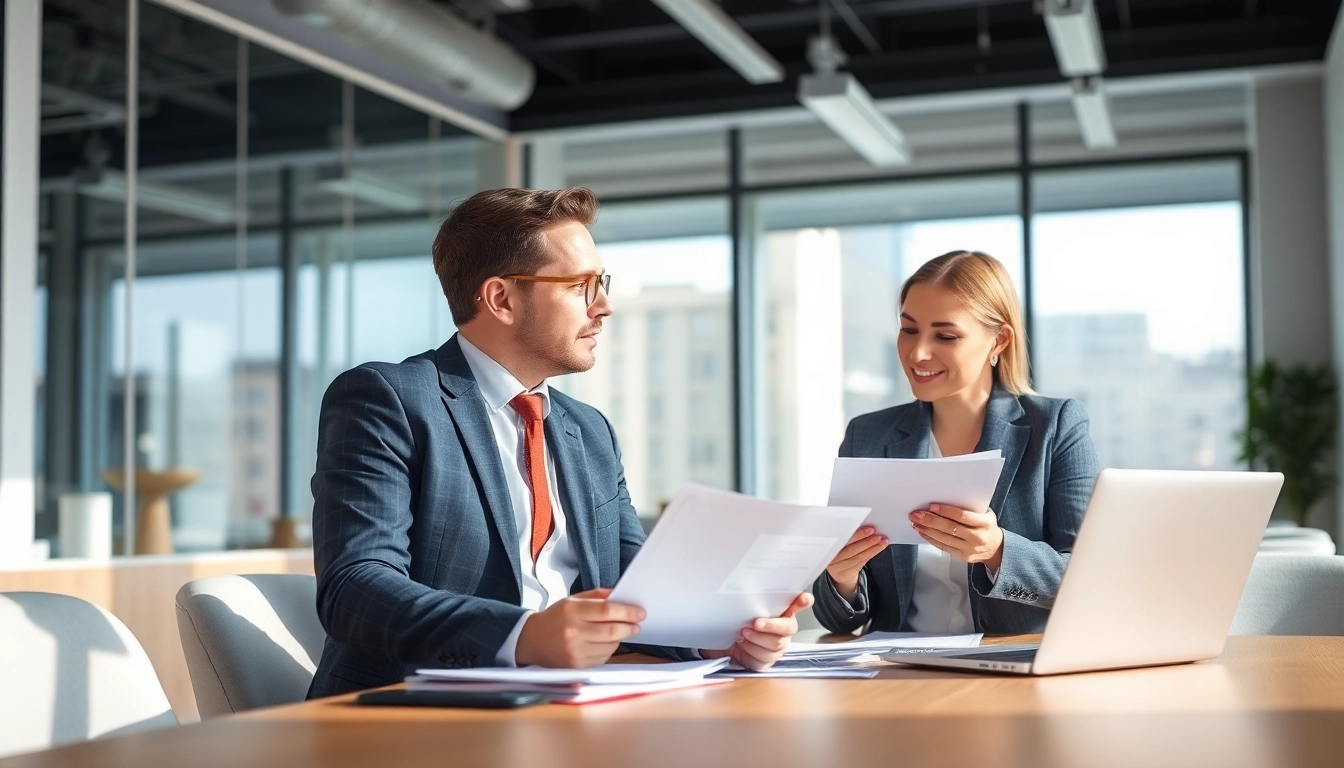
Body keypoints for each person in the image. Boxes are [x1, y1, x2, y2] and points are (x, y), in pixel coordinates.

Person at [307, 187, 809, 698]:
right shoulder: (386, 398)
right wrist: (523, 636)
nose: (605, 306)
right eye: (580, 286)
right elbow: (355, 587)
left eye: (602, 283)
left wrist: (717, 638)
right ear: (501, 298)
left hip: (573, 704)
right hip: (414, 715)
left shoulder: (589, 430)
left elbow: (640, 591)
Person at [812, 250, 1100, 636]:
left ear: (999, 341)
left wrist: (998, 550)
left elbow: (1088, 578)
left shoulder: (1056, 427)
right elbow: (837, 619)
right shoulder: (867, 436)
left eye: (945, 336)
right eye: (908, 329)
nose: (918, 353)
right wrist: (842, 578)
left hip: (1014, 673)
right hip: (900, 678)